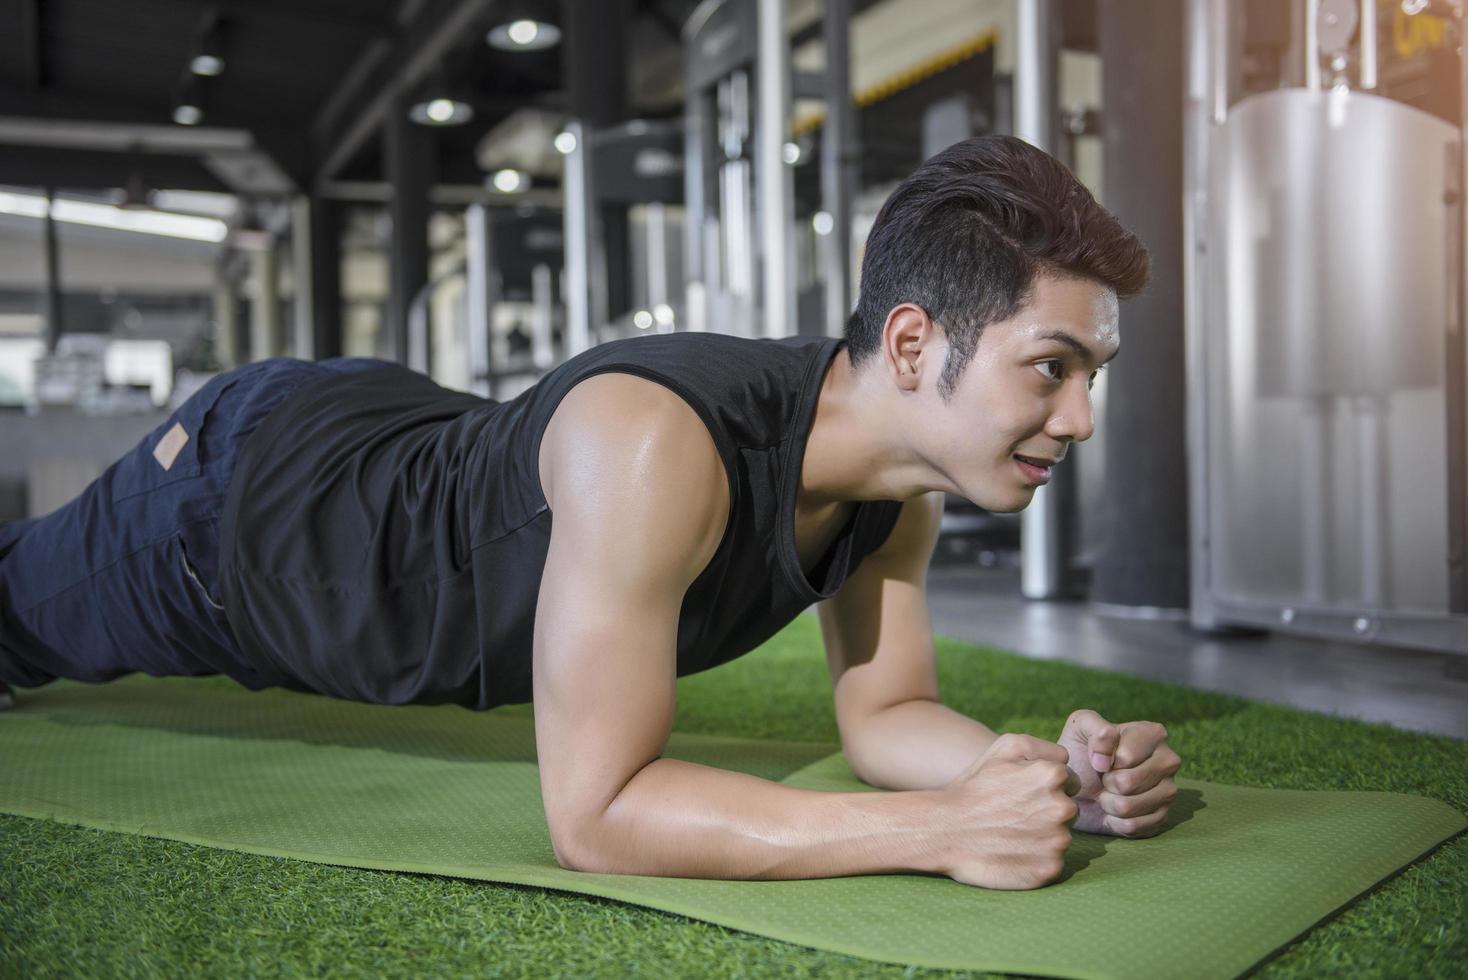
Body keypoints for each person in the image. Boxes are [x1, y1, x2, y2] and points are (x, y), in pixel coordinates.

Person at [0, 135, 1179, 890]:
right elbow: (599, 814)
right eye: (1050, 367)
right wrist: (934, 833)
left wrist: (1038, 774)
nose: (1078, 419)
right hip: (240, 510)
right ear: (915, 344)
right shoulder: (657, 445)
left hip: (393, 432)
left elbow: (889, 710)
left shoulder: (895, 489)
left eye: (1094, 378)